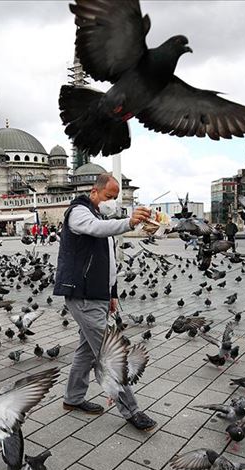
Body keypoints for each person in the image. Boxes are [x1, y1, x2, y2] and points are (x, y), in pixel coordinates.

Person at [53, 173, 157, 431]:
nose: (112, 201)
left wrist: (112, 292)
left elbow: (108, 259)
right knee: (109, 356)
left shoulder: (97, 214)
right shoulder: (78, 212)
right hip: (83, 293)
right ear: (95, 191)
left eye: (115, 198)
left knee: (86, 350)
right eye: (109, 197)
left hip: (96, 294)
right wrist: (129, 223)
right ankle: (131, 410)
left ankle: (73, 399)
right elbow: (96, 230)